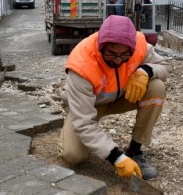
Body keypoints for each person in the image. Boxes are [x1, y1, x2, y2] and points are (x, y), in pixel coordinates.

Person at [57, 15, 170, 181]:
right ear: (101, 46)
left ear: (131, 48)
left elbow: (165, 65)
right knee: (72, 155)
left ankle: (135, 150)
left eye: (124, 55)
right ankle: (76, 134)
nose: (118, 60)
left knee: (156, 87)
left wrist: (146, 70)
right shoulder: (81, 64)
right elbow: (84, 122)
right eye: (111, 54)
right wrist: (116, 157)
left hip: (121, 97)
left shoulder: (139, 44)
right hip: (91, 104)